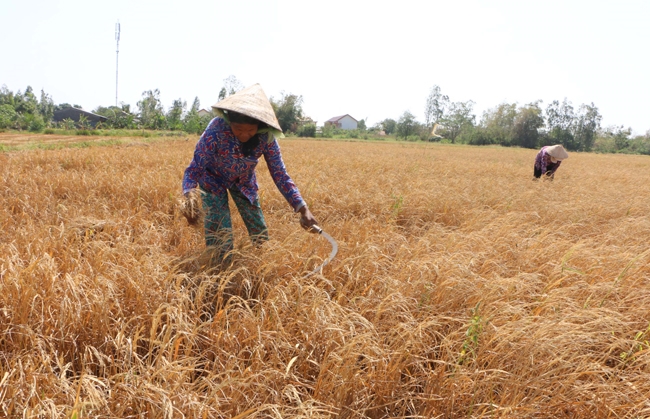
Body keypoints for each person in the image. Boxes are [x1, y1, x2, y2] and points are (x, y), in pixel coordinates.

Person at [180, 84, 318, 262]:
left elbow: (280, 174)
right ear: (230, 122)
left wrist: (303, 208)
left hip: (244, 181)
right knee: (220, 236)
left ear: (259, 127)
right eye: (238, 129)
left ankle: (261, 264)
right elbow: (195, 167)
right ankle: (220, 269)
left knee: (259, 231)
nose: (244, 135)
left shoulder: (266, 137)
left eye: (250, 130)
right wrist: (189, 196)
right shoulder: (216, 130)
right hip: (213, 180)